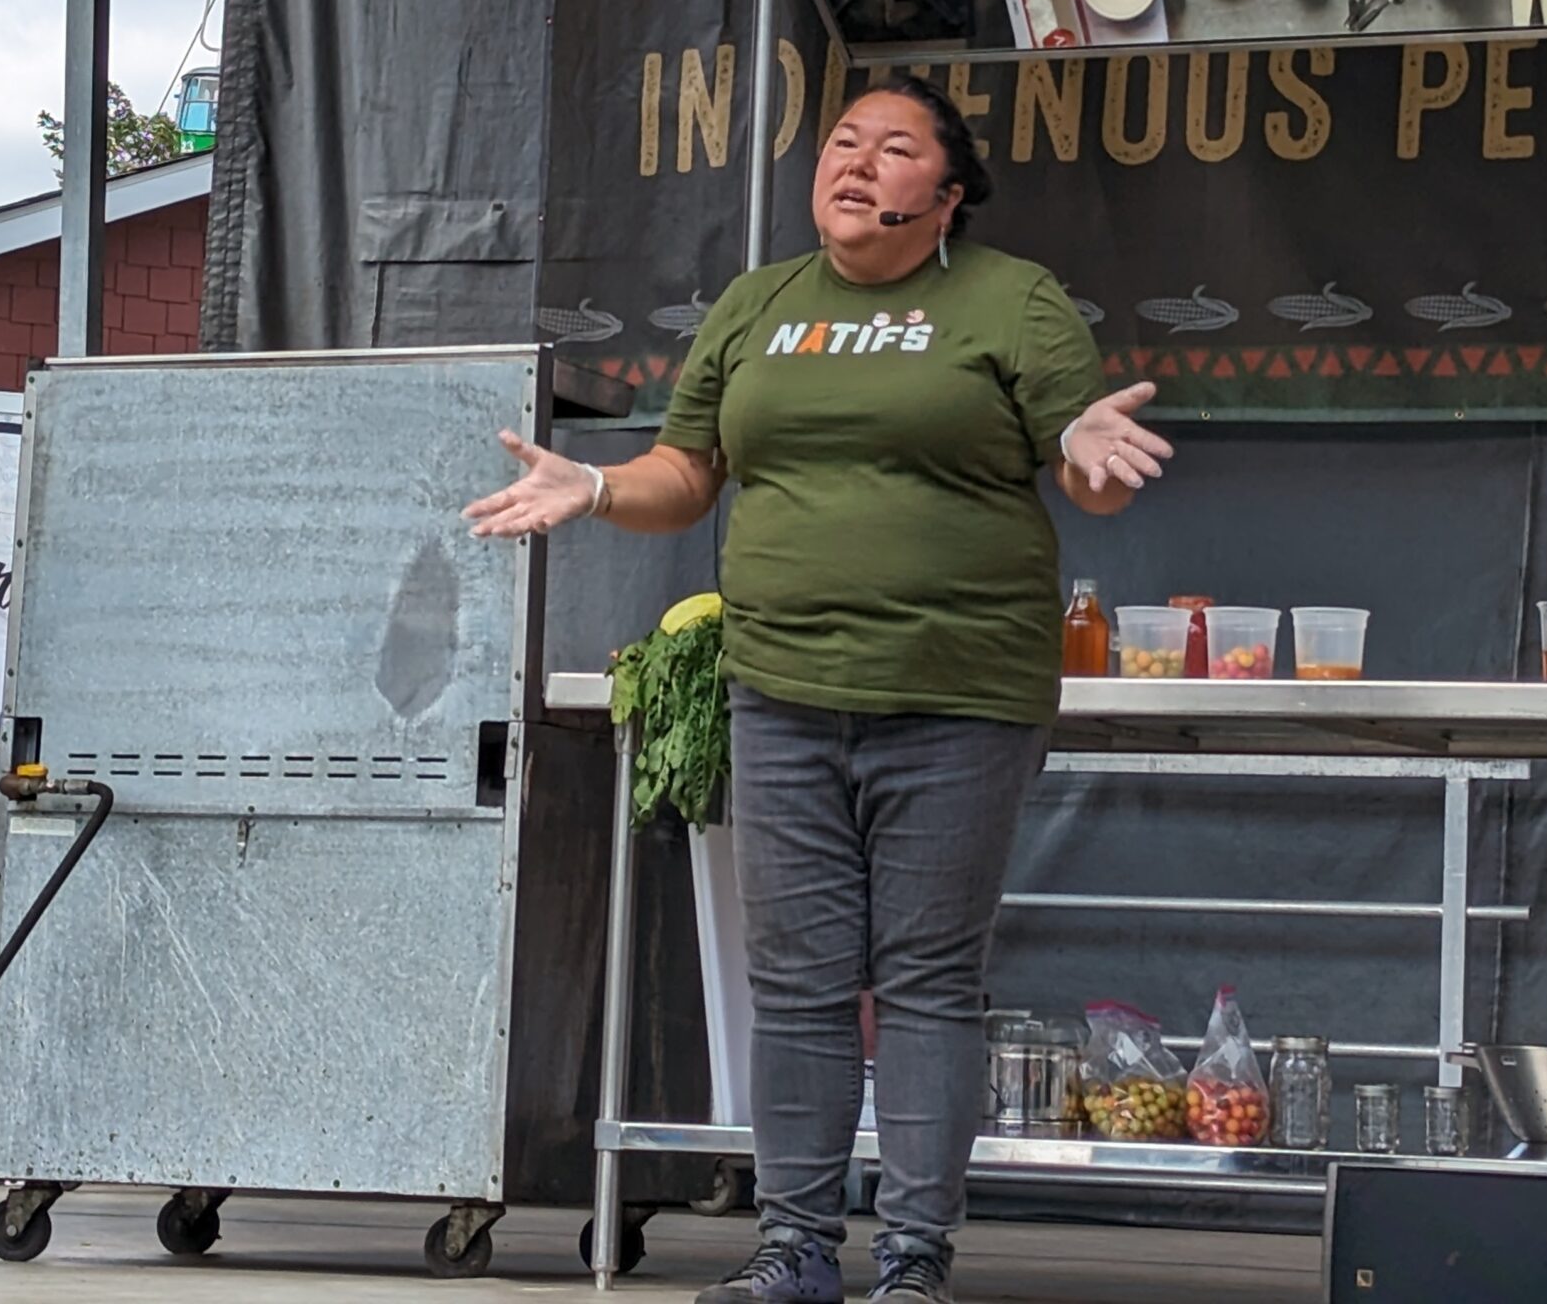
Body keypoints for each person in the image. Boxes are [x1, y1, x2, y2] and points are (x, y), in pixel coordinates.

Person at [465, 75, 1169, 1304]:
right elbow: (688, 472)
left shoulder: (1010, 300)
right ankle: (794, 1246)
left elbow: (1083, 466)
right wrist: (592, 488)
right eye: (842, 141)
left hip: (958, 694)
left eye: (894, 149)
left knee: (923, 980)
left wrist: (1095, 452)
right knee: (794, 977)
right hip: (782, 687)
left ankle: (912, 1259)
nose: (855, 161)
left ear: (945, 195)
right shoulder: (760, 305)